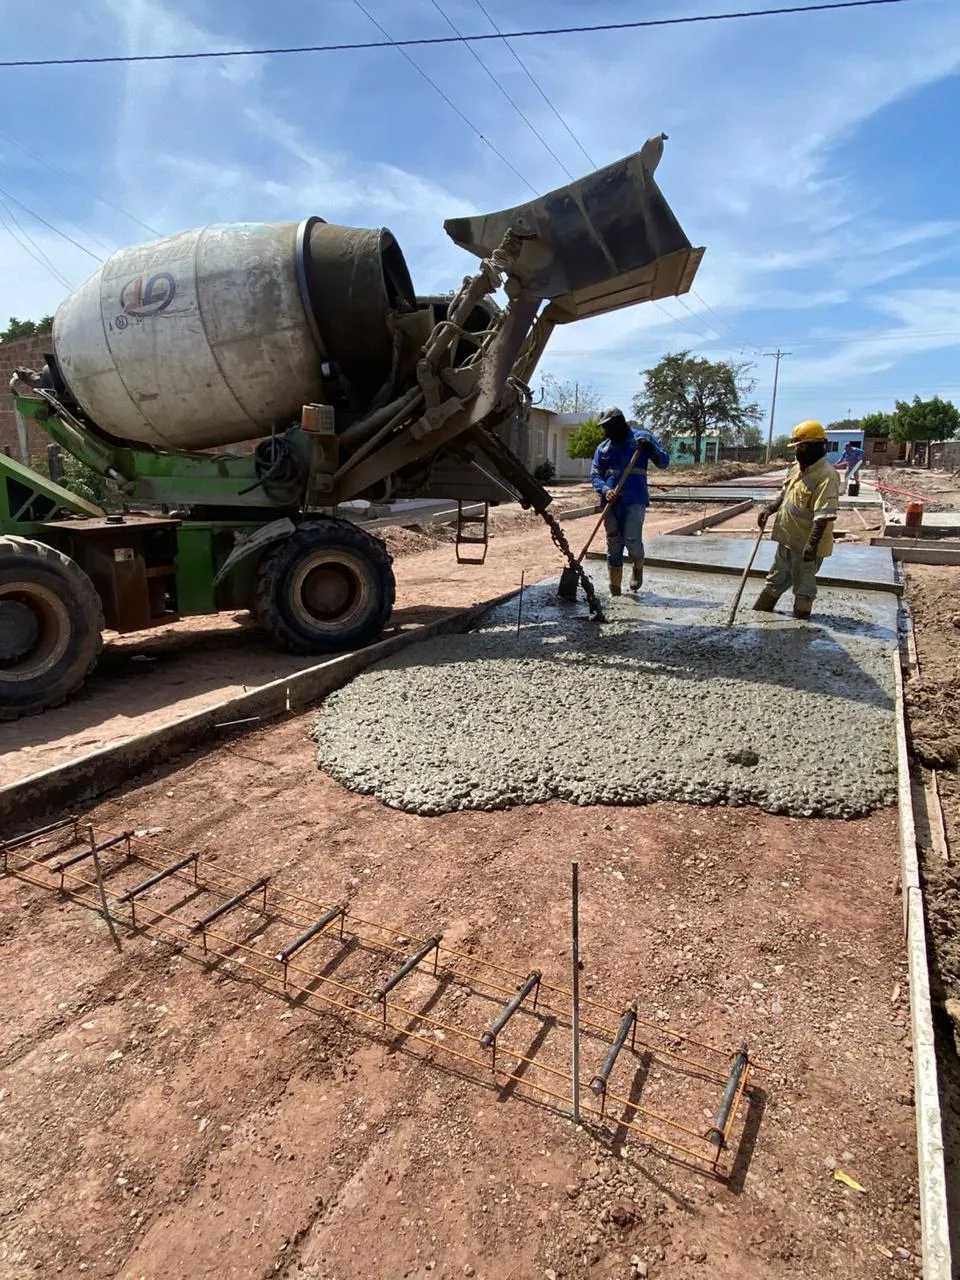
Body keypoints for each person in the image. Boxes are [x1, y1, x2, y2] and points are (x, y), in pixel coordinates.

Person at [753, 419, 841, 620]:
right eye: (797, 447)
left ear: (815, 446)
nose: (797, 451)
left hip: (806, 544)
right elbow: (786, 493)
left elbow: (824, 515)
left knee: (803, 588)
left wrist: (811, 545)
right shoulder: (797, 468)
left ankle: (801, 628)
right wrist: (770, 508)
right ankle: (760, 614)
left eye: (801, 446)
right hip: (787, 538)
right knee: (774, 580)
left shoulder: (826, 476)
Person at [590, 407, 669, 595]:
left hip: (635, 499)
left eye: (608, 427)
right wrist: (605, 490)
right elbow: (595, 475)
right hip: (610, 503)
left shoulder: (642, 439)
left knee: (632, 540)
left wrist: (651, 449)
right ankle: (615, 589)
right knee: (613, 544)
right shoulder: (603, 448)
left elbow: (664, 462)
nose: (606, 431)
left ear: (619, 423)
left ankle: (637, 566)